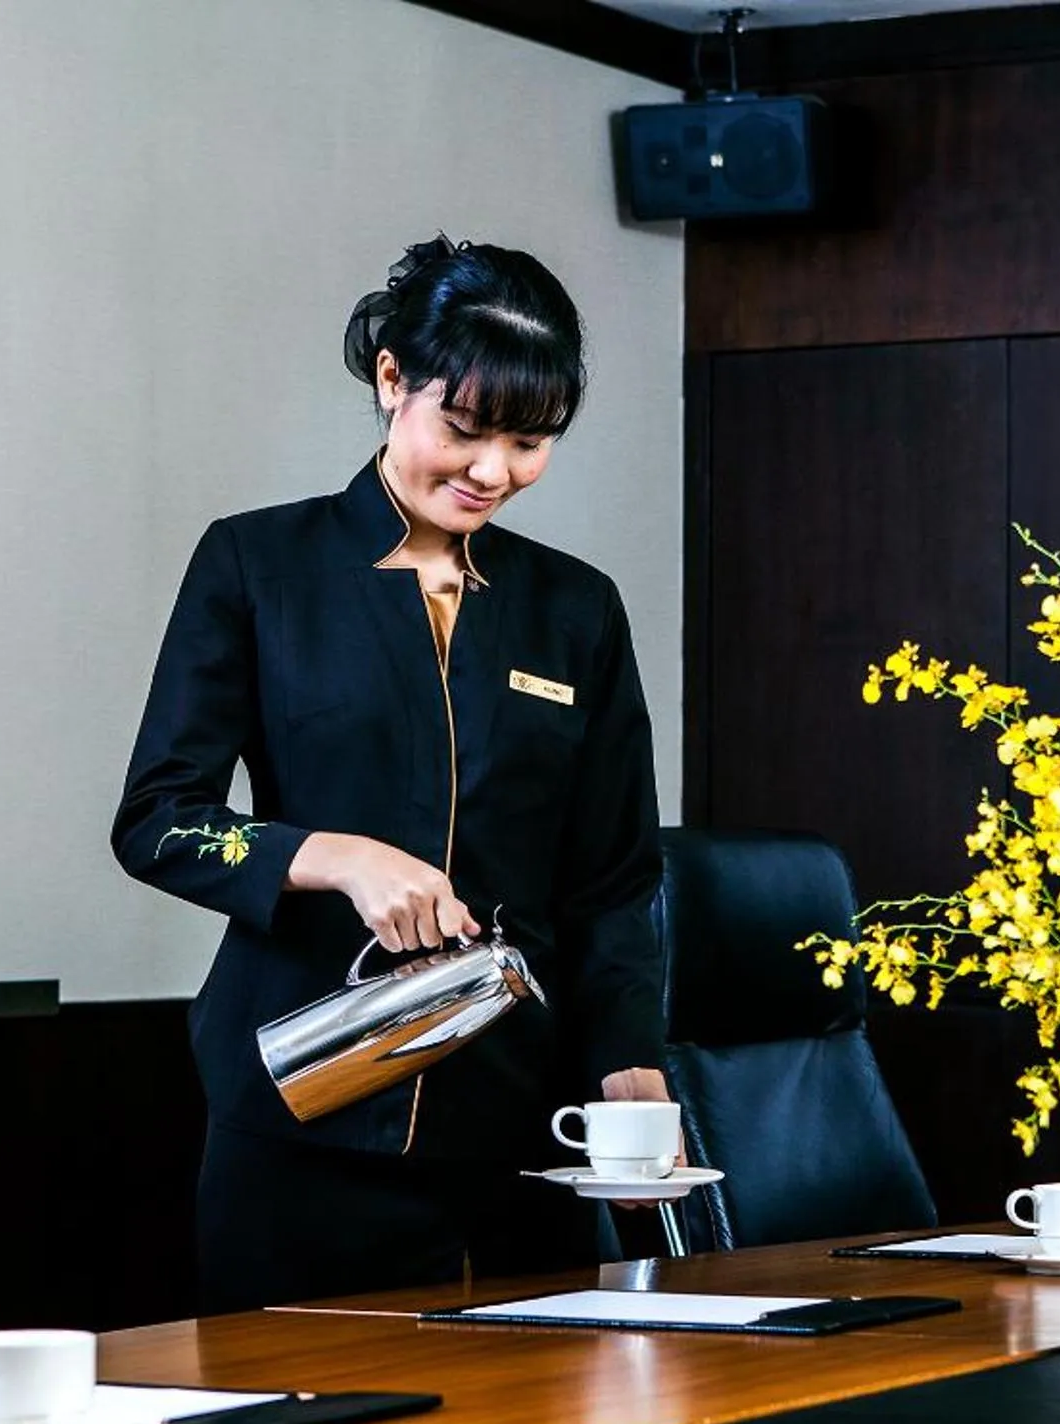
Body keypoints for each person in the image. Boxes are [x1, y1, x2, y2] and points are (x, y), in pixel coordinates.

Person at [114, 236, 667, 1309]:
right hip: (302, 1107)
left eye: (530, 440)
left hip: (520, 1128)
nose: (493, 471)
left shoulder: (576, 609)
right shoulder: (258, 566)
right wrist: (334, 858)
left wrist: (629, 1061)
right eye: (464, 429)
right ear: (390, 381)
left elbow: (613, 878)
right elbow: (160, 820)